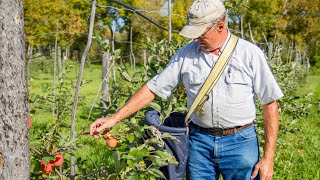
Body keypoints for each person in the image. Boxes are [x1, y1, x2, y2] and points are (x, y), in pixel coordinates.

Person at [90, 0, 284, 179]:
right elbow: (153, 88)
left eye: (201, 32)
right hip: (199, 141)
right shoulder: (186, 55)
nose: (196, 38)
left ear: (220, 26)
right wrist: (114, 118)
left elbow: (270, 104)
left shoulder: (249, 54)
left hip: (240, 143)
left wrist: (269, 158)